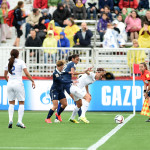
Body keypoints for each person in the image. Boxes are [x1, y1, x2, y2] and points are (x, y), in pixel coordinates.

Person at [4, 49, 35, 128]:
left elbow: (5, 75)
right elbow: (27, 74)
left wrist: (9, 82)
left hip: (10, 84)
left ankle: (10, 120)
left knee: (11, 103)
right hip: (18, 84)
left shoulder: (8, 62)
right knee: (21, 103)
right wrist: (32, 81)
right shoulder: (21, 62)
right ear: (18, 54)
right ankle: (19, 121)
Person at [55, 54, 85, 122]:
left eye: (78, 60)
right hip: (66, 83)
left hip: (61, 82)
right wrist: (82, 72)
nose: (77, 61)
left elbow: (66, 72)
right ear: (73, 59)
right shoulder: (72, 64)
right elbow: (73, 73)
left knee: (62, 100)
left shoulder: (68, 64)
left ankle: (57, 118)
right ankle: (80, 116)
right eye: (77, 59)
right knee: (76, 98)